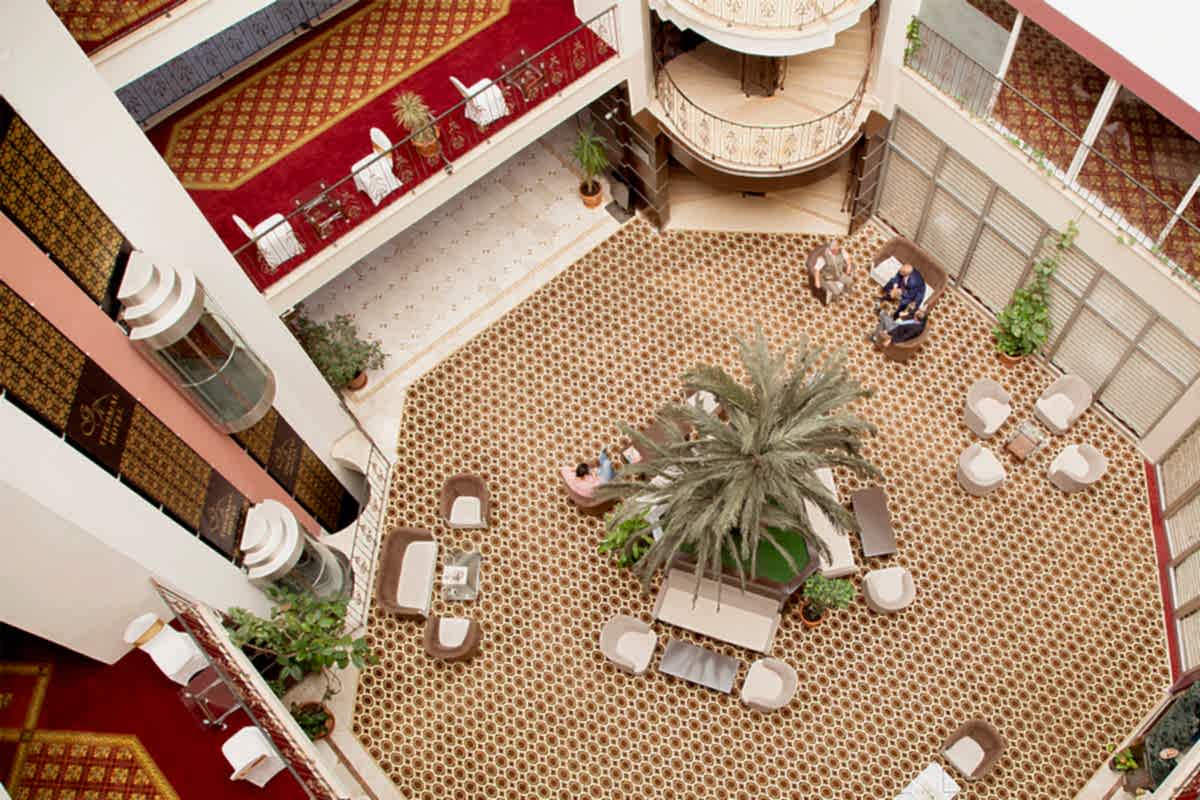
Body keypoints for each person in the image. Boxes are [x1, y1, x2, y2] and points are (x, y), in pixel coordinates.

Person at [812, 240, 855, 305]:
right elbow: (816, 270)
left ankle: (846, 291)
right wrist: (817, 281)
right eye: (832, 250)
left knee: (850, 281)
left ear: (838, 247)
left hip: (839, 274)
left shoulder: (842, 251)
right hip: (829, 277)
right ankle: (834, 298)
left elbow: (848, 260)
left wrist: (848, 268)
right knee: (836, 292)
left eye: (836, 249)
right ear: (830, 248)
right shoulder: (823, 257)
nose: (834, 251)